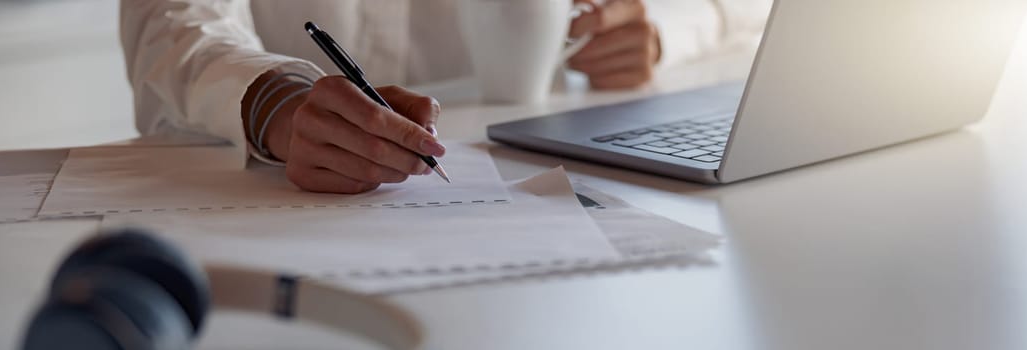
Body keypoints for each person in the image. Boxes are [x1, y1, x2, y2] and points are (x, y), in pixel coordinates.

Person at [120, 0, 770, 194]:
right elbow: (172, 24)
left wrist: (657, 29)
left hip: (513, 204)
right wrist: (275, 102)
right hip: (229, 216)